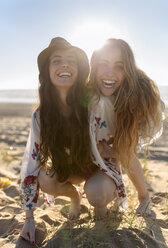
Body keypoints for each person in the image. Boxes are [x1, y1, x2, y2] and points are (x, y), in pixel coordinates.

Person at [20, 37, 97, 244]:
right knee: (45, 180)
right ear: (47, 72)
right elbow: (30, 166)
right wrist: (29, 219)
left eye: (71, 60)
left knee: (98, 194)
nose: (65, 64)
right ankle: (74, 197)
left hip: (94, 168)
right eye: (57, 60)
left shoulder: (92, 104)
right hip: (66, 170)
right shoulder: (40, 116)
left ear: (79, 70)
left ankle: (102, 200)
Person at [87, 38, 165, 218]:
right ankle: (110, 185)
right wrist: (96, 148)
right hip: (99, 135)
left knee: (127, 154)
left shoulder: (135, 95)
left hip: (122, 132)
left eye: (119, 66)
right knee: (98, 185)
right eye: (103, 64)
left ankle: (144, 197)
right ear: (94, 66)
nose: (109, 73)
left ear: (127, 70)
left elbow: (129, 144)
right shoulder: (87, 94)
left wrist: (114, 150)